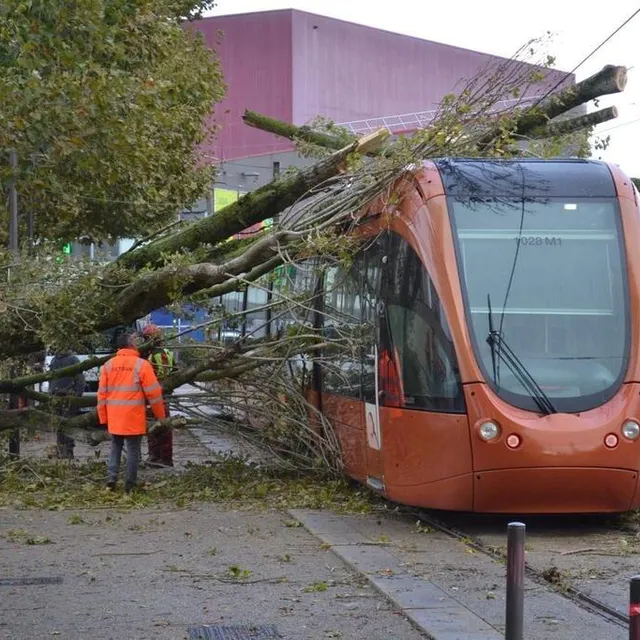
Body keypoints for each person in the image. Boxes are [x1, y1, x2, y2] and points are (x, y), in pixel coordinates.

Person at [97, 330, 166, 492]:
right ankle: (130, 484)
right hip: (133, 416)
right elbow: (154, 394)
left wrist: (103, 418)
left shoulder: (108, 365)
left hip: (115, 416)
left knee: (116, 446)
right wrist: (161, 417)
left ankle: (111, 480)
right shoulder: (142, 365)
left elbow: (101, 395)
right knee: (133, 450)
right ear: (132, 344)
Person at [141, 324, 176, 467]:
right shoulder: (159, 353)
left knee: (162, 426)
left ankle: (165, 458)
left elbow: (159, 374)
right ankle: (155, 456)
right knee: (152, 426)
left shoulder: (158, 354)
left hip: (158, 394)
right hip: (156, 394)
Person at [49, 349, 86, 459]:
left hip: (56, 395)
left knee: (59, 424)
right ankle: (68, 451)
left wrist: (50, 393)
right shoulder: (73, 359)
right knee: (69, 423)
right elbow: (80, 378)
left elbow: (51, 379)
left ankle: (61, 450)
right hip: (69, 395)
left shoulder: (54, 360)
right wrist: (78, 394)